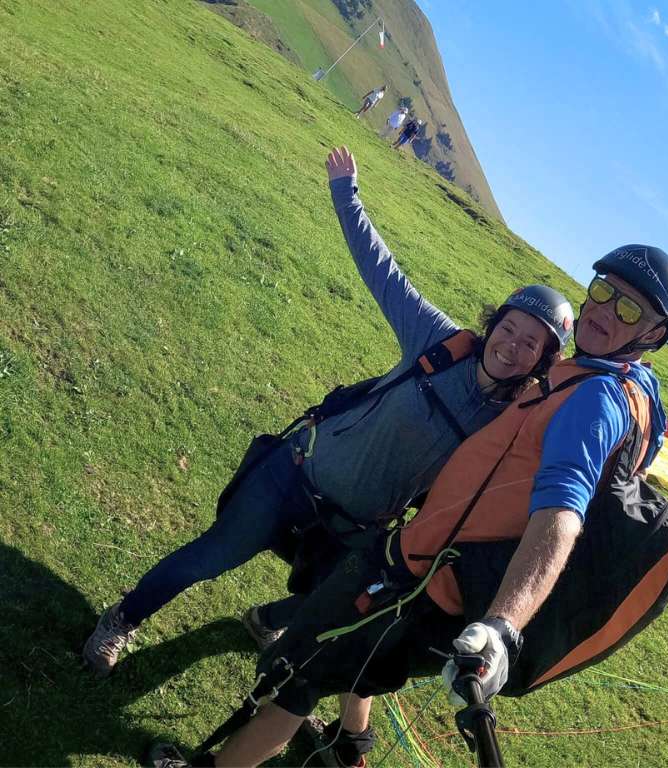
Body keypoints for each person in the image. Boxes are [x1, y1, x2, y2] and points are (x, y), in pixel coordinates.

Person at [159, 244, 668, 767]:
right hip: (431, 574)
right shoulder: (637, 395)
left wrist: (504, 627)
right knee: (356, 657)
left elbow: (562, 514)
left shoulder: (595, 400)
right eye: (601, 291)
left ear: (654, 334)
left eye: (628, 309)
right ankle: (349, 746)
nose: (602, 311)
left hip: (422, 582)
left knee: (301, 672)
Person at [82, 146, 573, 678]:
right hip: (297, 474)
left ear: (542, 362)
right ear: (494, 322)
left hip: (357, 526)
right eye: (510, 329)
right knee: (212, 557)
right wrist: (347, 194)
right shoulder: (439, 341)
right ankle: (122, 619)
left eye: (531, 345)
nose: (512, 346)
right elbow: (383, 272)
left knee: (347, 604)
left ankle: (265, 619)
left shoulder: (509, 422)